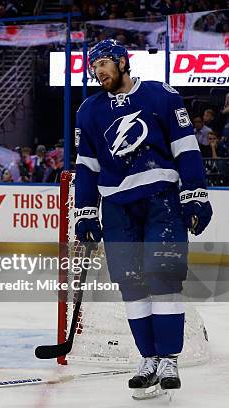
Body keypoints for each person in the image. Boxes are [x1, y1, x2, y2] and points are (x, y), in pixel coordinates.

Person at [74, 39, 212, 396]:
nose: (98, 71)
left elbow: (186, 147)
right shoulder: (88, 110)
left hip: (161, 200)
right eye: (93, 66)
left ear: (123, 62)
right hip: (117, 207)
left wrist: (195, 194)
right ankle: (148, 358)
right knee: (131, 284)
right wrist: (86, 211)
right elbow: (87, 167)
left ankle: (168, 358)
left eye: (104, 62)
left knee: (164, 278)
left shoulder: (161, 96)